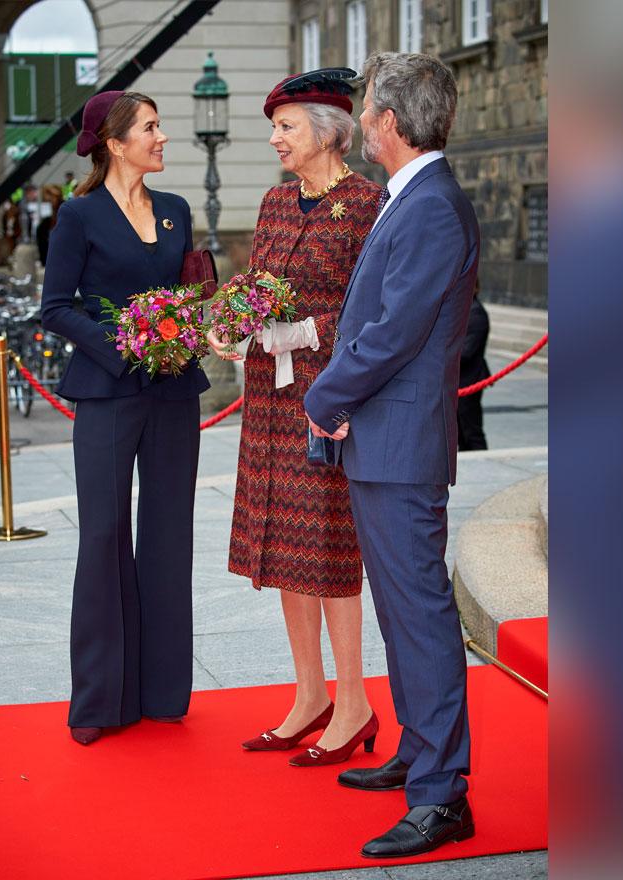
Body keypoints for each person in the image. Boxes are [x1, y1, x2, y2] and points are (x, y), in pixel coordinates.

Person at [304, 52, 481, 858]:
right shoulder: (409, 198)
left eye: (368, 106)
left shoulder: (432, 205)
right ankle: (419, 752)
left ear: (389, 124)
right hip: (388, 440)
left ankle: (442, 796)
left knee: (420, 616)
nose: (362, 116)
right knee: (402, 615)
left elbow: (392, 330)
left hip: (399, 442)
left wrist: (325, 395)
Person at [207, 69, 385, 766]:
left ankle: (355, 702)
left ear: (328, 131)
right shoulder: (277, 202)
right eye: (274, 127)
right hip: (269, 399)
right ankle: (309, 694)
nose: (275, 138)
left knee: (330, 551)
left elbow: (375, 315)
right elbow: (256, 288)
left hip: (329, 401)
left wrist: (303, 332)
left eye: (286, 126)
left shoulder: (369, 204)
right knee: (285, 549)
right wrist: (230, 321)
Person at [40, 90, 209, 746]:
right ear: (114, 143)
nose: (162, 137)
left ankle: (164, 692)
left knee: (168, 537)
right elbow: (55, 308)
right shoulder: (78, 218)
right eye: (150, 128)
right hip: (108, 392)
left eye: (159, 126)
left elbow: (192, 291)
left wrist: (205, 314)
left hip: (174, 392)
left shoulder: (176, 212)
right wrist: (123, 343)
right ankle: (101, 701)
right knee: (105, 537)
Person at [456, 296, 491, 450]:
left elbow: (467, 352)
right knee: (460, 432)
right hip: (458, 381)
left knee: (471, 430)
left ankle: (482, 462)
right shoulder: (463, 309)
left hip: (470, 379)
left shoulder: (476, 314)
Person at [35, 183, 63, 267]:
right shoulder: (44, 225)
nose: (51, 200)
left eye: (54, 197)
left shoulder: (65, 218)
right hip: (49, 262)